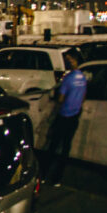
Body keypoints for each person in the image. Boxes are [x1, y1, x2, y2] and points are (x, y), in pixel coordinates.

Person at [42, 50, 87, 187]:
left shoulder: (68, 78)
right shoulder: (83, 78)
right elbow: (83, 97)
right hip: (74, 116)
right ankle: (57, 178)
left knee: (53, 146)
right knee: (66, 148)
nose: (66, 62)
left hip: (64, 116)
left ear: (73, 60)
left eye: (68, 59)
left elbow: (60, 98)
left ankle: (44, 175)